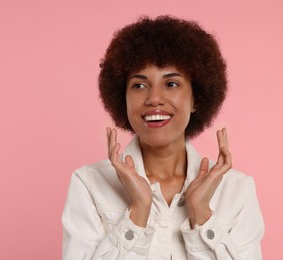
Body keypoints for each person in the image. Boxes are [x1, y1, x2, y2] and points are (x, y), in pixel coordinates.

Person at [62, 16, 264, 260]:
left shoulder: (236, 190)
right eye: (139, 85)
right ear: (121, 98)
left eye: (171, 83)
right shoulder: (89, 185)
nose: (154, 98)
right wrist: (138, 213)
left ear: (196, 99)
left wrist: (201, 215)